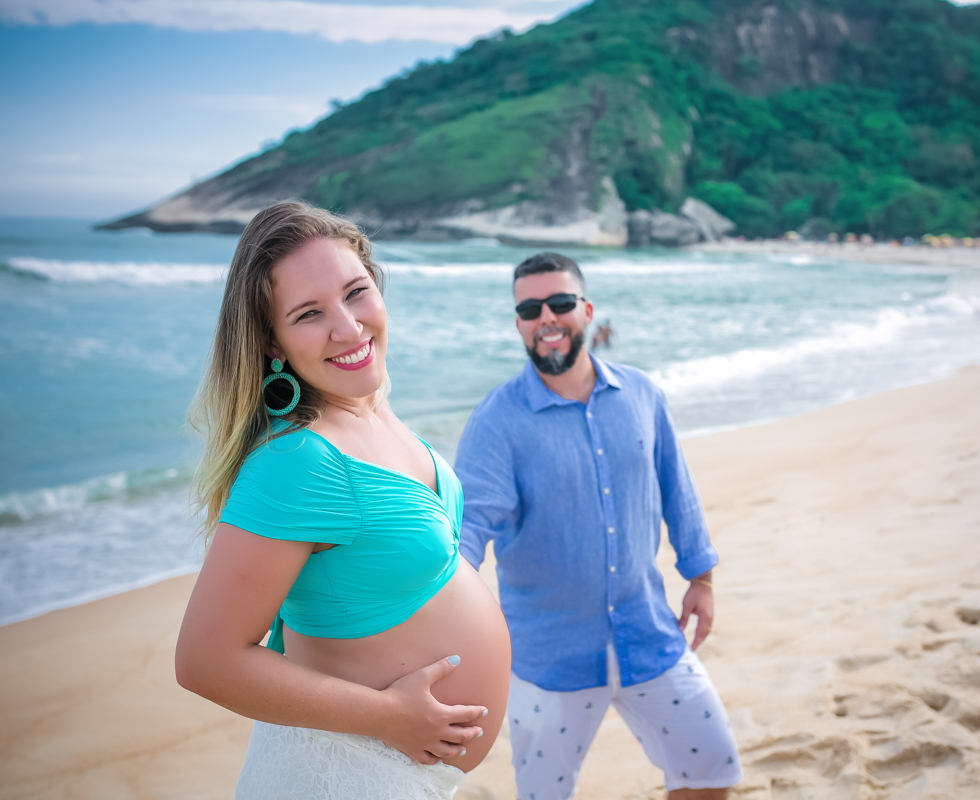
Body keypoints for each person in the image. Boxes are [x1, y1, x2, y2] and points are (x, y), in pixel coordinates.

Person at [175, 201, 511, 799]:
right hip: (348, 770)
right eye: (309, 313)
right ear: (272, 343)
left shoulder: (372, 407)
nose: (350, 328)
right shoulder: (296, 460)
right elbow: (205, 659)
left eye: (356, 293)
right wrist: (387, 716)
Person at [454, 252, 743, 800]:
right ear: (519, 323)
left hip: (650, 634)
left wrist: (701, 578)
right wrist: (440, 619)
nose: (547, 317)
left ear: (586, 311)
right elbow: (466, 532)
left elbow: (677, 489)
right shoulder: (496, 422)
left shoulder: (642, 394)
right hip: (548, 658)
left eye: (560, 303)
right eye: (531, 309)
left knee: (713, 768)